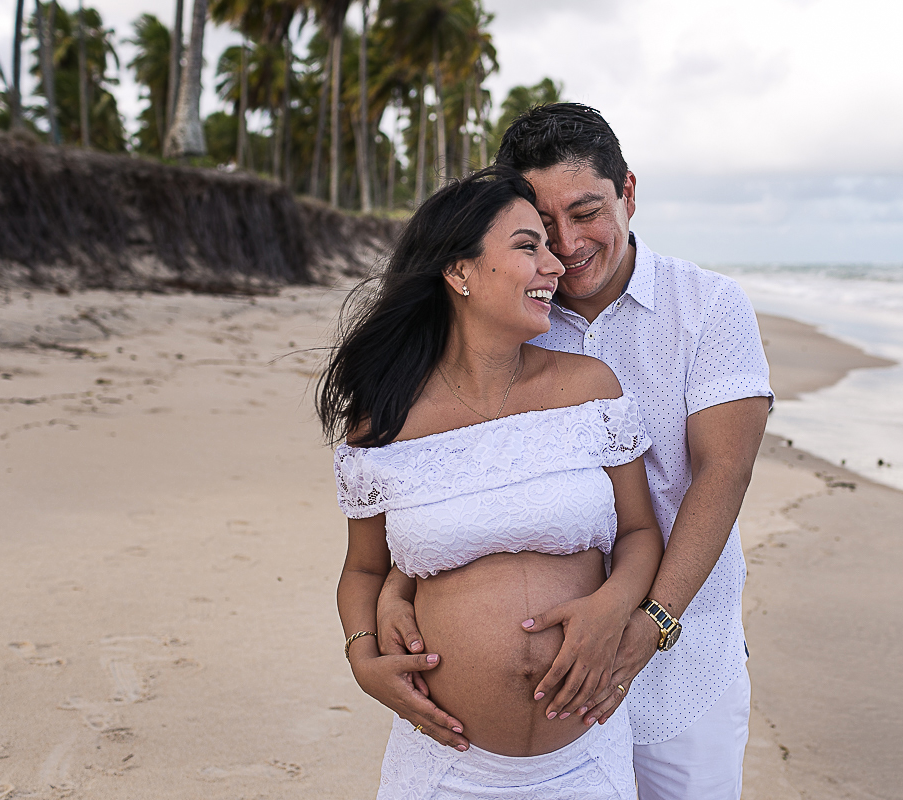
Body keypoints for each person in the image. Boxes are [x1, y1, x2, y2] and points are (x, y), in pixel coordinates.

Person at [380, 104, 773, 799]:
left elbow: (724, 471)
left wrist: (648, 622)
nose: (566, 244)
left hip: (685, 642)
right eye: (543, 225)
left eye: (587, 211)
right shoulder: (518, 310)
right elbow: (450, 461)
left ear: (627, 191)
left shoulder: (709, 307)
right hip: (552, 683)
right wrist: (396, 582)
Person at [319, 165, 665, 799]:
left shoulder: (589, 388)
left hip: (587, 759)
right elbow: (364, 571)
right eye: (528, 246)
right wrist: (363, 656)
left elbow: (641, 532)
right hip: (446, 766)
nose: (555, 265)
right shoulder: (387, 421)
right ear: (460, 272)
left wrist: (616, 607)